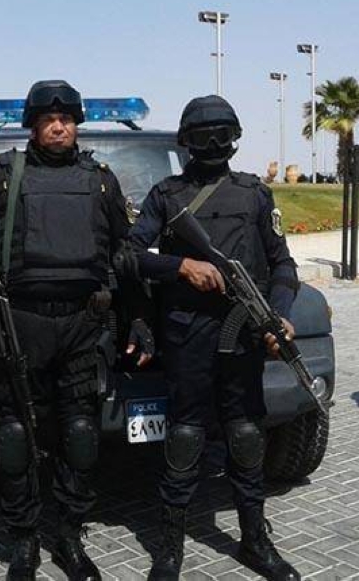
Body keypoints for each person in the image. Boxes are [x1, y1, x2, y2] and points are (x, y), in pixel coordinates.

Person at [0, 80, 147, 581]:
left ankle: (70, 537)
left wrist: (138, 314)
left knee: (81, 434)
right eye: (49, 120)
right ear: (33, 126)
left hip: (83, 324)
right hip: (21, 324)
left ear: (77, 125)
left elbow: (126, 251)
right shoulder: (2, 173)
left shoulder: (101, 180)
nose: (59, 127)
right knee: (16, 435)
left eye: (66, 119)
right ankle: (24, 541)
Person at [122, 95, 301, 581]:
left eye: (223, 134)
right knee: (185, 437)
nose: (215, 144)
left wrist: (279, 316)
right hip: (189, 334)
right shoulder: (167, 195)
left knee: (246, 434)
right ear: (187, 142)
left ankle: (254, 540)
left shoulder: (254, 194)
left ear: (235, 138)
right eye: (204, 136)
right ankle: (169, 548)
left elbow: (283, 265)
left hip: (245, 334)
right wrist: (181, 265)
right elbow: (128, 256)